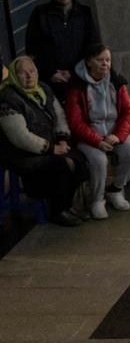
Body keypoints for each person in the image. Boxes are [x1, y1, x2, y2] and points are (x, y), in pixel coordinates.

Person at [0, 56, 87, 227]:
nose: (29, 76)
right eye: (22, 73)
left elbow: (60, 116)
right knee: (61, 165)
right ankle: (58, 210)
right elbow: (20, 137)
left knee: (78, 159)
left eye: (32, 71)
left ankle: (68, 205)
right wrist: (51, 148)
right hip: (24, 155)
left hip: (52, 147)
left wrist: (62, 140)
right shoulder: (7, 99)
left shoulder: (44, 89)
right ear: (13, 75)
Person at [65, 44, 130, 220]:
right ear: (89, 61)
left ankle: (116, 189)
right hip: (89, 134)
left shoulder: (116, 81)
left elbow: (129, 112)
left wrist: (118, 135)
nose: (105, 64)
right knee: (98, 160)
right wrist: (97, 141)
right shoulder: (77, 86)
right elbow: (75, 121)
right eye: (100, 60)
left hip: (114, 131)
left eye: (108, 60)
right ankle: (97, 200)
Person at [25, 0, 100, 101]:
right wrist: (50, 73)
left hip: (80, 81)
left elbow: (91, 47)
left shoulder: (85, 14)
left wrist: (72, 72)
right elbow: (32, 49)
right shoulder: (40, 14)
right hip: (50, 84)